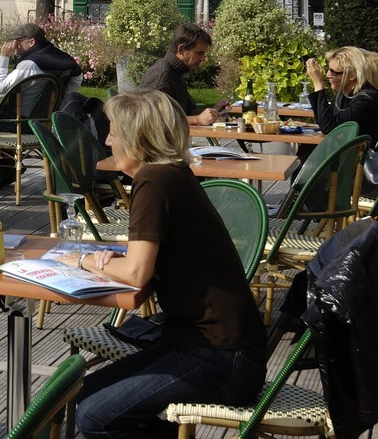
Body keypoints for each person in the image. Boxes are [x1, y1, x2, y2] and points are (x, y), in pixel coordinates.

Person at [66, 90, 265, 439]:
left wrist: (82, 260)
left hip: (220, 357)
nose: (109, 139)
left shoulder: (154, 180)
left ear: (135, 137)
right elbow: (145, 262)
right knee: (84, 393)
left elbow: (136, 273)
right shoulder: (171, 174)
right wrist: (115, 262)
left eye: (113, 131)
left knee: (95, 418)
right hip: (210, 344)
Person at [0, 21, 82, 189]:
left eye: (18, 42)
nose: (15, 47)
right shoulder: (62, 59)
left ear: (31, 42)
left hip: (18, 123)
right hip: (43, 122)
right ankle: (5, 168)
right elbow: (77, 79)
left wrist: (3, 57)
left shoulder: (29, 64)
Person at [304, 45, 378, 143]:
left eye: (334, 72)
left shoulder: (366, 99)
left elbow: (329, 128)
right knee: (304, 151)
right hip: (360, 153)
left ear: (352, 75)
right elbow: (324, 120)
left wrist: (318, 83)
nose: (328, 75)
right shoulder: (346, 94)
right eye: (328, 70)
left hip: (376, 156)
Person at [136, 24, 222, 126]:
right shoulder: (161, 76)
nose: (203, 58)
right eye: (199, 53)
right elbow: (155, 120)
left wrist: (215, 110)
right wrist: (197, 120)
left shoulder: (176, 73)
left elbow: (189, 111)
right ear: (181, 50)